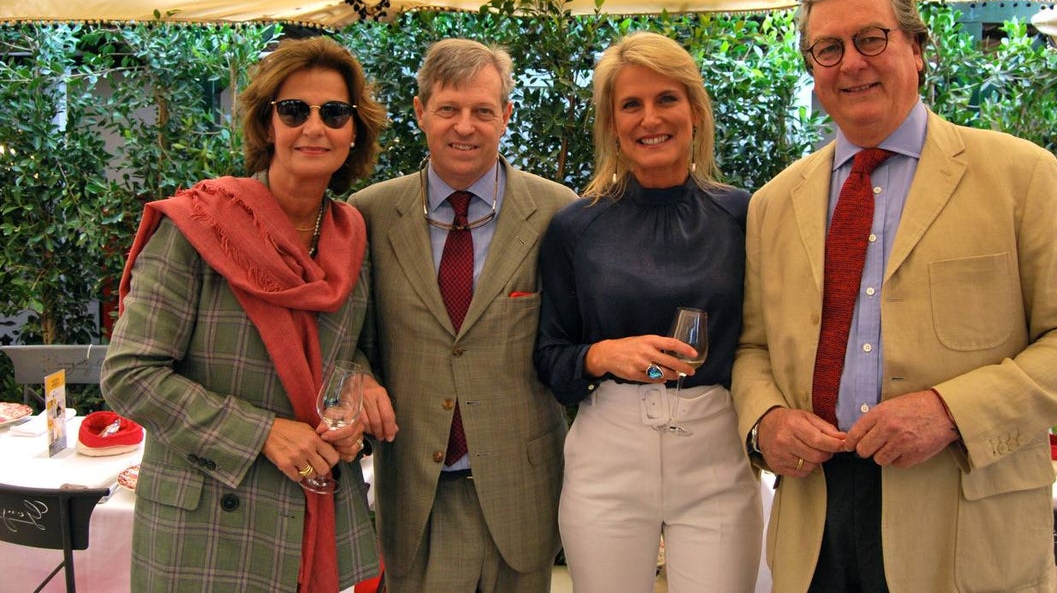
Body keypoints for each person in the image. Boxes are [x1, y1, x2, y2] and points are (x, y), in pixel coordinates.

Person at [732, 0, 1057, 592]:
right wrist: (765, 421)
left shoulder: (1019, 177)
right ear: (812, 69)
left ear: (917, 48)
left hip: (963, 521)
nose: (852, 63)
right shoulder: (774, 204)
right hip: (815, 524)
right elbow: (752, 346)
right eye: (828, 49)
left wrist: (951, 410)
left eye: (872, 38)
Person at [100, 36, 388, 593]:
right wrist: (261, 433)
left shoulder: (352, 236)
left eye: (333, 113)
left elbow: (344, 348)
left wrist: (358, 388)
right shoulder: (199, 227)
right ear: (266, 124)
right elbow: (130, 375)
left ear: (354, 132)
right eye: (293, 110)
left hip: (313, 505)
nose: (314, 127)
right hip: (208, 524)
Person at [534, 31, 764, 592]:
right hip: (609, 452)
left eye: (666, 99)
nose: (649, 118)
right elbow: (550, 356)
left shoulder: (745, 216)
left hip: (715, 449)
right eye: (630, 105)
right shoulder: (575, 227)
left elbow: (770, 339)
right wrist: (601, 354)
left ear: (694, 110)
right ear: (612, 123)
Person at [352, 38, 575, 593]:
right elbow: (347, 339)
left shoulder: (559, 213)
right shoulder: (369, 216)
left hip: (520, 489)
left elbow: (575, 343)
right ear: (420, 111)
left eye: (482, 110)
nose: (465, 126)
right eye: (449, 108)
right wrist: (355, 374)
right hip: (414, 490)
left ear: (507, 115)